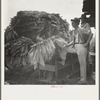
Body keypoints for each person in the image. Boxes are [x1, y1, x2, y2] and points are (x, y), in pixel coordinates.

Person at [59, 17, 93, 84]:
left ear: (77, 23)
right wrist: (67, 45)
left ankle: (83, 80)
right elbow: (73, 41)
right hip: (75, 46)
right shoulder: (74, 31)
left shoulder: (81, 29)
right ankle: (63, 60)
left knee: (82, 64)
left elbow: (91, 34)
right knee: (64, 49)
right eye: (71, 23)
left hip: (81, 46)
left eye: (73, 23)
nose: (72, 24)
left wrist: (86, 43)